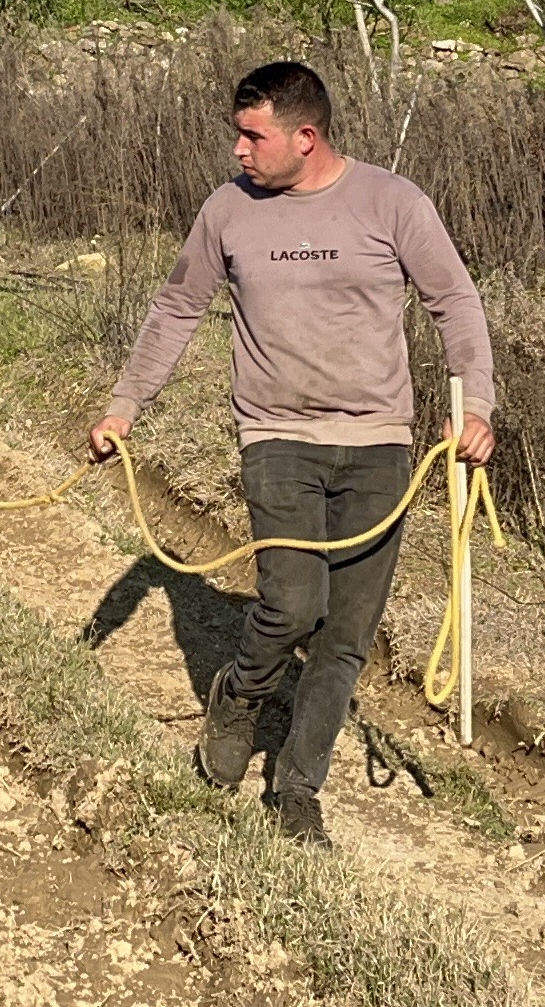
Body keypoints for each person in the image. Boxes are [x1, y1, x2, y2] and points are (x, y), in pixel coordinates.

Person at [91, 61, 495, 847]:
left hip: (379, 445)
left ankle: (297, 787)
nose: (239, 151)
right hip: (276, 436)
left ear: (305, 138)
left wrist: (475, 405)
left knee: (346, 633)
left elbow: (455, 301)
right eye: (237, 135)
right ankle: (238, 696)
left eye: (253, 136)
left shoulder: (392, 202)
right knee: (290, 605)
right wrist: (124, 407)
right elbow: (177, 307)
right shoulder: (226, 211)